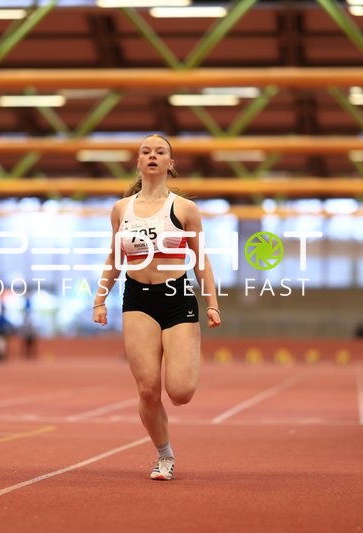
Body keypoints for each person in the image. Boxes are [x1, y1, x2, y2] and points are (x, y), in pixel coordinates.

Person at [93, 134, 221, 480]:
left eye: (160, 152)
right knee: (148, 388)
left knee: (180, 392)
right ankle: (164, 455)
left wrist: (213, 303)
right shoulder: (122, 209)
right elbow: (114, 257)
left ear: (170, 163)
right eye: (145, 152)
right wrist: (100, 297)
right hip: (138, 299)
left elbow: (201, 260)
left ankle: (186, 350)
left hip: (177, 298)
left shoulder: (184, 209)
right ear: (138, 162)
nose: (152, 156)